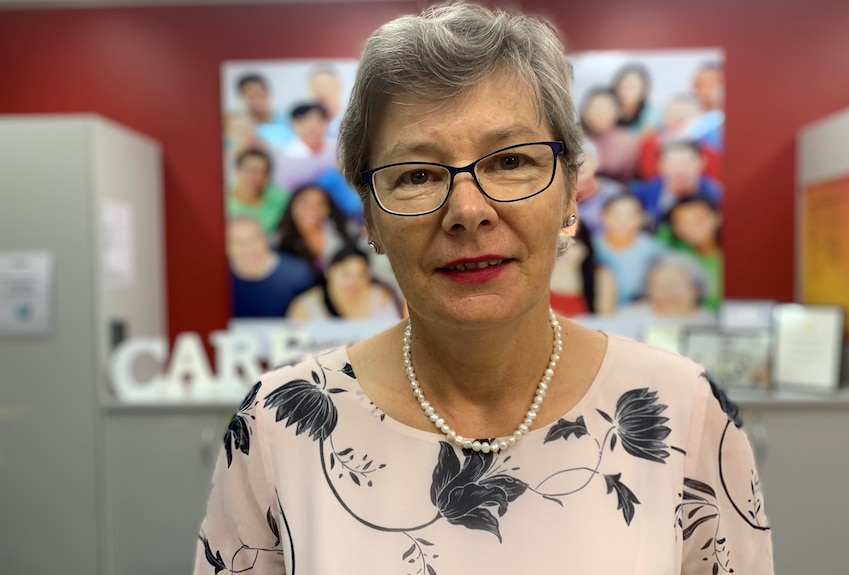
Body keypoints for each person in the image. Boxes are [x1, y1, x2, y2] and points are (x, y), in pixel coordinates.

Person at [195, 4, 773, 574]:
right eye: (417, 174)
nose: (468, 211)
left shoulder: (685, 414)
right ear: (369, 217)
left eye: (511, 161)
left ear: (571, 192)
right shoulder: (279, 427)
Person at [273, 102, 364, 221]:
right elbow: (284, 194)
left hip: (344, 203)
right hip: (307, 209)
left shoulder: (336, 145)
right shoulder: (286, 157)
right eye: (306, 122)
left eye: (318, 121)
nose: (313, 127)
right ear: (295, 125)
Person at [226, 216, 317, 318]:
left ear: (266, 239)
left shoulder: (297, 273)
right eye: (238, 242)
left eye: (255, 238)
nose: (248, 247)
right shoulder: (216, 277)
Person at [287, 245, 402, 322]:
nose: (352, 281)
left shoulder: (380, 298)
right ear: (329, 272)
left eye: (360, 275)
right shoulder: (304, 306)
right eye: (345, 274)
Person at [593, 193, 666, 307]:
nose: (623, 220)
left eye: (630, 215)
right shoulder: (591, 245)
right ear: (602, 216)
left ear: (643, 218)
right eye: (616, 214)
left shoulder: (654, 249)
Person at [633, 139, 723, 229]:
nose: (679, 170)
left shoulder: (718, 197)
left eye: (685, 163)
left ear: (702, 162)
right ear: (659, 165)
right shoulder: (642, 195)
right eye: (672, 163)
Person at [275, 182, 357, 275]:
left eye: (320, 203)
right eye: (305, 202)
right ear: (292, 206)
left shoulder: (343, 231)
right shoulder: (279, 240)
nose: (312, 208)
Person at [579, 87, 640, 183]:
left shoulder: (627, 141)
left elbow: (628, 178)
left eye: (604, 108)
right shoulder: (574, 137)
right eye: (594, 107)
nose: (598, 112)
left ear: (618, 112)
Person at [225, 149, 289, 237]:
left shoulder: (281, 198)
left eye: (261, 171)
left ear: (268, 176)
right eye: (248, 169)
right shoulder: (221, 200)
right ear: (237, 171)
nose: (253, 175)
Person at [235, 73, 293, 149]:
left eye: (260, 94)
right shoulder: (237, 125)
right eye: (251, 96)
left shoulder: (287, 119)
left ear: (268, 93)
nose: (257, 100)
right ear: (241, 96)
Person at [612, 63, 659, 135]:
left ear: (644, 89)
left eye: (634, 87)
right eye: (624, 86)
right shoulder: (609, 107)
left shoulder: (651, 112)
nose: (628, 90)